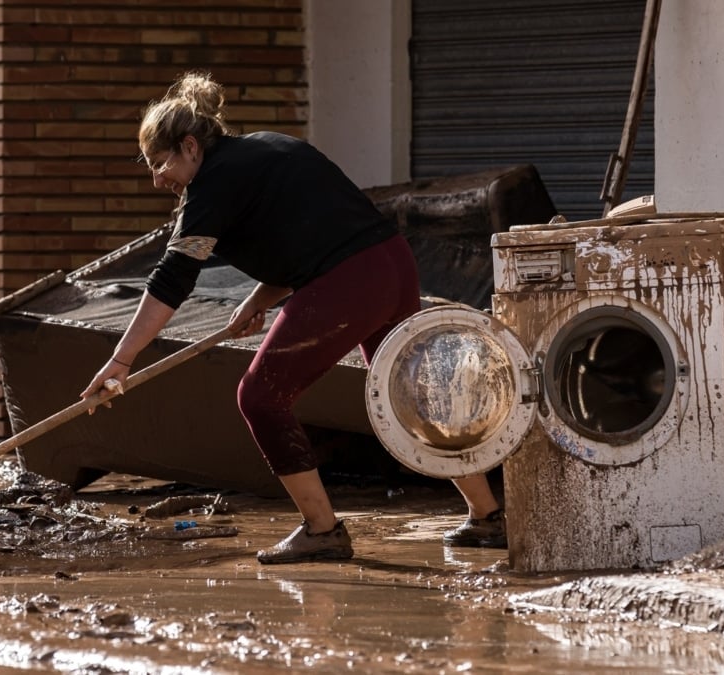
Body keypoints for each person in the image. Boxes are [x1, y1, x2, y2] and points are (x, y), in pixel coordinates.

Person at [81, 71, 504, 563]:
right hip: (391, 264)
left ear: (190, 146)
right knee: (410, 394)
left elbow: (172, 280)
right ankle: (487, 516)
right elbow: (310, 235)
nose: (158, 180)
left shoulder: (211, 186)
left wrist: (121, 360)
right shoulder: (269, 147)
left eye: (160, 163)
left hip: (351, 282)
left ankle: (321, 530)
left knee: (260, 397)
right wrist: (260, 299)